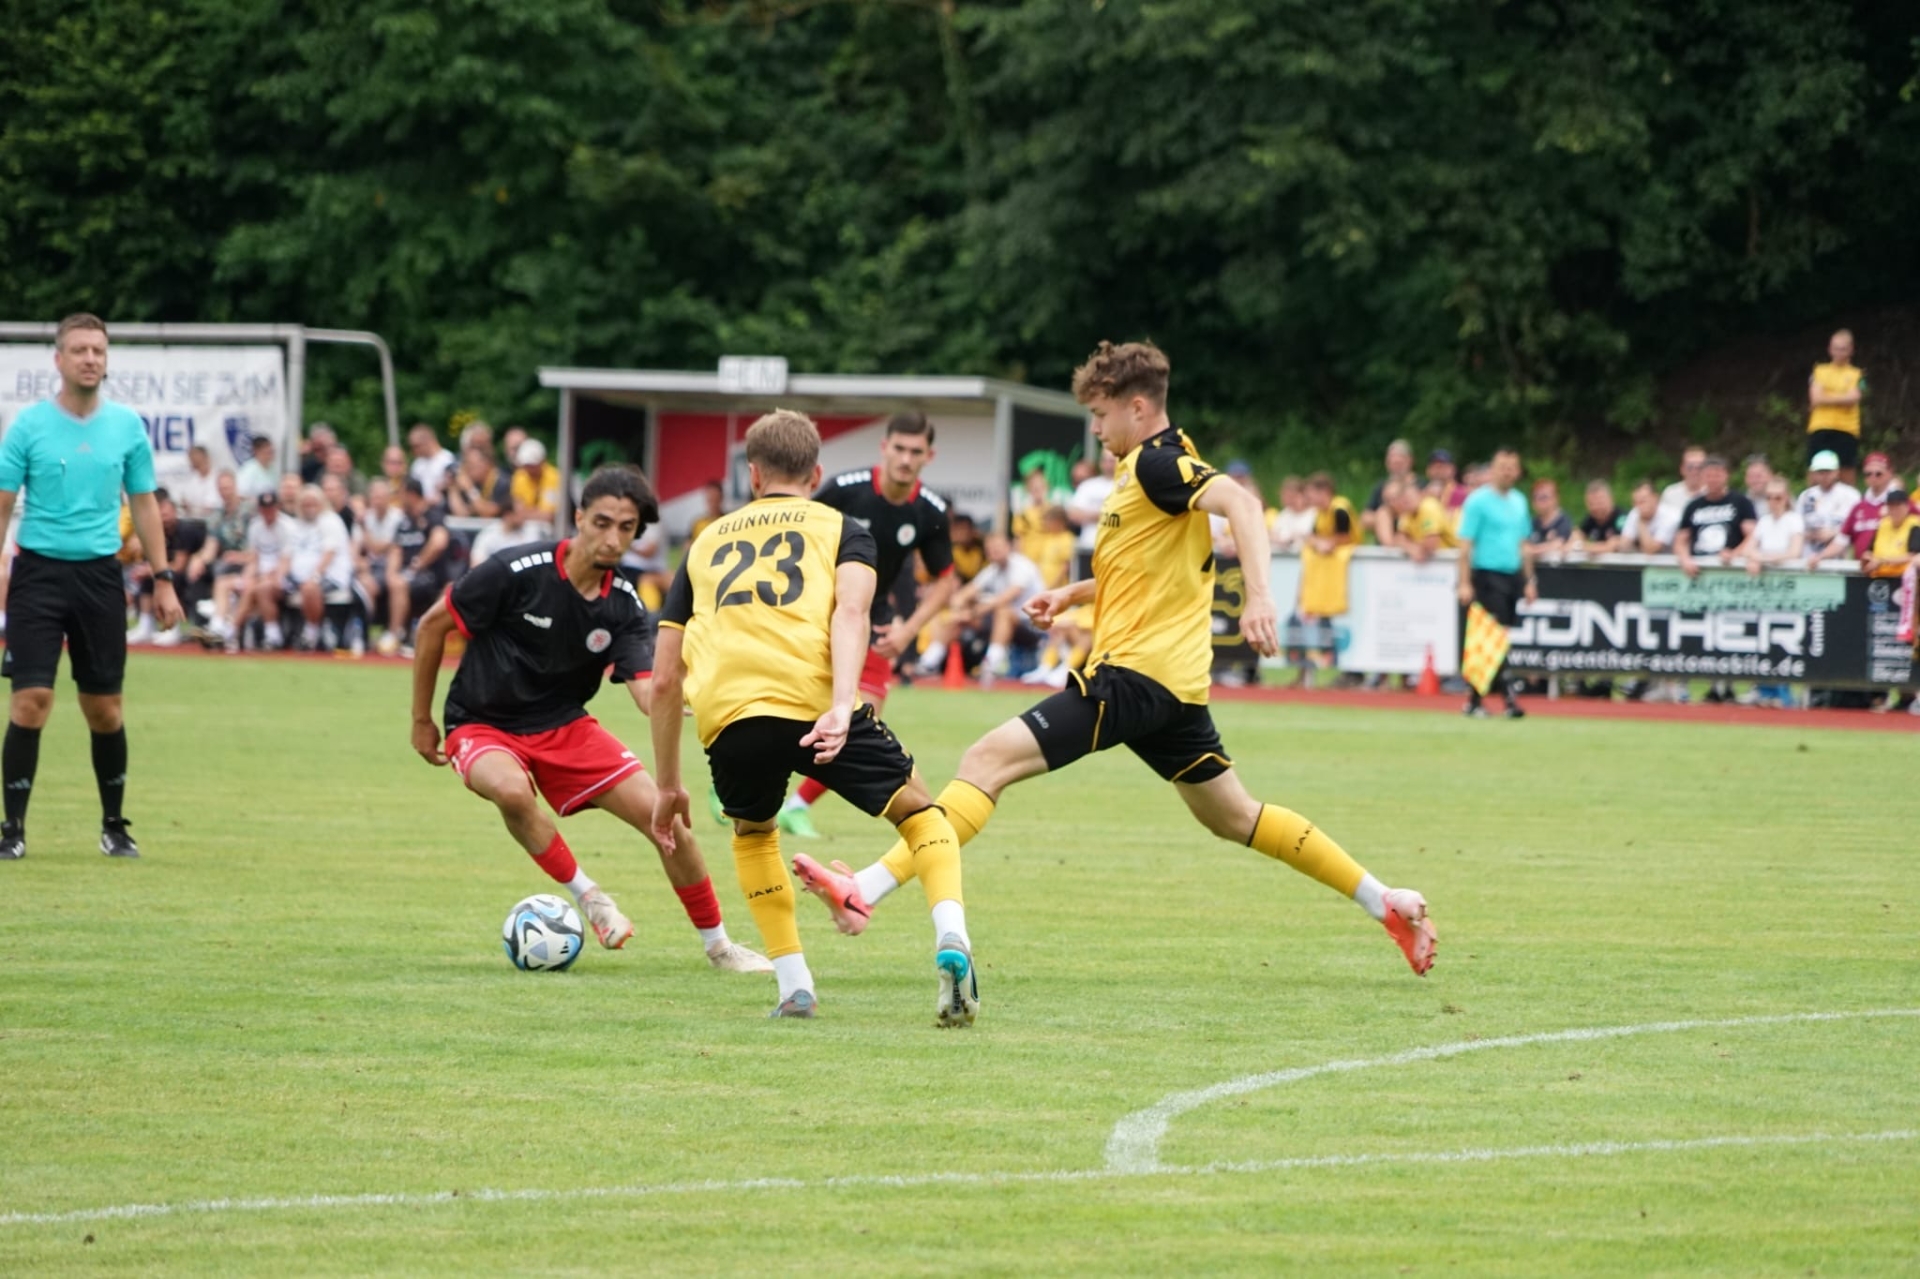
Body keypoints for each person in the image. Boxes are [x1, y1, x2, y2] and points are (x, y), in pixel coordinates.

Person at [791, 342, 1437, 981]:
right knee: (1234, 815)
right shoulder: (1144, 470)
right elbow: (1146, 569)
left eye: (1100, 415)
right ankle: (1386, 899)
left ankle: (865, 889)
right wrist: (1071, 595)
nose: (1095, 429)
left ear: (1137, 407)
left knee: (985, 761)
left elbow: (1241, 505)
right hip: (1173, 690)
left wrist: (1261, 597)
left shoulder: (1159, 464)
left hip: (1133, 679)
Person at [647, 411, 976, 1022]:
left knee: (753, 834)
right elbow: (851, 613)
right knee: (921, 815)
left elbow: (665, 677)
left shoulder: (705, 542)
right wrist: (842, 707)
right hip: (812, 705)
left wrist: (667, 784)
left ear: (753, 475)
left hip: (730, 718)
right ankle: (952, 937)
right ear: (816, 474)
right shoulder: (844, 528)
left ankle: (794, 986)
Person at [409, 464, 771, 976]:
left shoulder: (623, 604)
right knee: (511, 791)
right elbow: (431, 626)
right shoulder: (514, 570)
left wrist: (699, 694)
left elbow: (647, 690)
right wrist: (421, 719)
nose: (612, 539)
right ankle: (591, 898)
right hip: (481, 722)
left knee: (666, 821)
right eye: (602, 523)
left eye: (626, 528)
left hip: (565, 725)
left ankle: (720, 947)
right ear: (578, 518)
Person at [0, 314, 181, 861]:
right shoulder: (28, 426)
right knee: (31, 701)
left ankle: (114, 827)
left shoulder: (126, 427)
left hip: (100, 578)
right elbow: (3, 506)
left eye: (98, 350)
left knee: (104, 709)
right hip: (37, 575)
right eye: (79, 350)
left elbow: (144, 505)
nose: (89, 359)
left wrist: (164, 579)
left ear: (106, 359)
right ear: (59, 359)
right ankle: (12, 830)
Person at [756, 412, 959, 841]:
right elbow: (794, 532)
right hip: (815, 616)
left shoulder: (929, 510)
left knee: (860, 720)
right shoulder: (846, 490)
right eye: (899, 448)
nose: (905, 459)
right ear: (884, 448)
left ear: (930, 456)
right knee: (789, 708)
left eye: (915, 451)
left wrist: (909, 631)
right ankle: (749, 782)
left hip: (872, 620)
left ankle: (795, 805)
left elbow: (946, 581)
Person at [1455, 448, 1535, 719]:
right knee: (1493, 637)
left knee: (1493, 640)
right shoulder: (1478, 502)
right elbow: (1465, 545)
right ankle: (1509, 697)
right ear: (1493, 469)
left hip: (1511, 576)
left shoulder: (1519, 502)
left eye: (1512, 467)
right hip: (1487, 575)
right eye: (1502, 467)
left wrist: (1529, 580)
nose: (1507, 472)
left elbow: (1524, 544)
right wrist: (1464, 582)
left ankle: (1474, 700)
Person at [916, 532, 1047, 682]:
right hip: (1002, 623)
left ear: (1008, 547)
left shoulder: (1022, 566)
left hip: (1034, 625)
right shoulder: (993, 569)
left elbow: (1005, 599)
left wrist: (972, 612)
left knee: (1003, 612)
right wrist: (958, 607)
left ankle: (991, 664)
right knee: (957, 618)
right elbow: (968, 591)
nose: (993, 551)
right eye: (989, 549)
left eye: (997, 547)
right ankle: (929, 661)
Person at [386, 478, 453, 654]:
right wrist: (391, 573)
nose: (399, 499)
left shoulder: (433, 515)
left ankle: (395, 634)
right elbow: (395, 549)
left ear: (412, 495)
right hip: (407, 576)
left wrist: (417, 565)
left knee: (400, 584)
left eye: (401, 494)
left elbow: (439, 542)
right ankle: (400, 635)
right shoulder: (404, 521)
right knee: (396, 582)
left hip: (432, 576)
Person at [1673, 457, 1756, 579]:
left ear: (1726, 475)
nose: (1713, 480)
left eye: (1717, 475)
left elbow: (1753, 535)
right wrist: (1685, 559)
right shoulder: (1693, 506)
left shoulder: (1741, 502)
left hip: (1731, 569)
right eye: (1709, 476)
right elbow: (1681, 540)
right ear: (1702, 477)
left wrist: (1735, 554)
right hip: (1699, 570)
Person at [1807, 328, 1865, 478]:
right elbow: (1816, 398)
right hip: (1820, 426)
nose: (1839, 353)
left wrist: (1826, 395)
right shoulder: (1819, 370)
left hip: (1847, 428)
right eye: (1836, 348)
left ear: (1851, 350)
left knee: (1846, 474)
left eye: (1843, 349)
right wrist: (1842, 396)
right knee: (1815, 474)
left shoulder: (1857, 374)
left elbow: (1854, 398)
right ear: (1829, 349)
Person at [1798, 450, 1862, 565]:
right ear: (1813, 473)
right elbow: (1797, 529)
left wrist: (1834, 533)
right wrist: (1812, 535)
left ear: (1837, 472)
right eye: (1820, 472)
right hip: (1810, 559)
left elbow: (1858, 528)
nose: (1824, 476)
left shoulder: (1851, 495)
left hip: (1840, 561)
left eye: (1828, 471)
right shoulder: (1806, 496)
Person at [1835, 452, 1900, 561]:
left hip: (1891, 567)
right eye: (1868, 474)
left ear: (1890, 473)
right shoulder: (1859, 507)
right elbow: (1841, 541)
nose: (1873, 477)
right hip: (1861, 566)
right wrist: (1820, 556)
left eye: (1878, 473)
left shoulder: (1900, 503)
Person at [1065, 450, 1117, 580]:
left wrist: (1088, 515)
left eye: (1111, 461)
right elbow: (1073, 514)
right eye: (1105, 460)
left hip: (1114, 548)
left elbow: (1125, 515)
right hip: (1088, 547)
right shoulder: (1088, 486)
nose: (1108, 465)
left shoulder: (1125, 485)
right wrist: (1106, 514)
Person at [1364, 438, 1416, 540]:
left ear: (1410, 461)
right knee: (1383, 513)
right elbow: (1365, 519)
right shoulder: (1380, 486)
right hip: (1384, 543)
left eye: (1400, 463)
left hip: (1414, 541)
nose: (1396, 466)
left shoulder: (1422, 485)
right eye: (1393, 462)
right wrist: (1388, 515)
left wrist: (1404, 514)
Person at [1862, 489, 1919, 579]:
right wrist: (1867, 558)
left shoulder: (1914, 525)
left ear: (1907, 507)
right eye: (1891, 507)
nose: (1894, 511)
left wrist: (1882, 561)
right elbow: (1869, 551)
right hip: (1878, 575)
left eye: (1898, 506)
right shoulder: (1882, 525)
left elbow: (1913, 555)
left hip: (1902, 578)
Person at [509, 439, 562, 527]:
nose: (529, 469)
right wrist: (536, 512)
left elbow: (549, 516)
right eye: (526, 465)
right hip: (526, 528)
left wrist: (525, 513)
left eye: (532, 465)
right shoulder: (519, 476)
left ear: (542, 462)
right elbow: (518, 510)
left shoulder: (554, 477)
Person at [1620, 480, 1678, 553]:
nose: (1639, 506)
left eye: (1643, 501)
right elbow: (1623, 545)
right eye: (1636, 502)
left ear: (1655, 498)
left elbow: (1651, 550)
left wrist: (1641, 524)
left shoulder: (1670, 516)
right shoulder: (1635, 512)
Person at [406, 424, 458, 503]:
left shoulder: (447, 459)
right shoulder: (417, 464)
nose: (413, 450)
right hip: (421, 506)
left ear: (428, 441)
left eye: (416, 446)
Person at [1574, 481, 1625, 555]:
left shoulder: (1621, 519)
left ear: (1611, 499)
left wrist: (1583, 546)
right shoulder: (1591, 518)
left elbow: (1612, 546)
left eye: (1599, 502)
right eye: (1591, 504)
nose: (1596, 507)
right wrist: (1578, 542)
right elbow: (1576, 535)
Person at [174, 444, 222, 518]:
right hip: (192, 520)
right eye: (191, 459)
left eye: (196, 459)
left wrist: (193, 508)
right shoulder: (191, 480)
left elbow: (210, 507)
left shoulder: (217, 478)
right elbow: (184, 501)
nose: (192, 462)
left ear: (205, 458)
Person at [1269, 476, 1316, 552]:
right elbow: (1273, 533)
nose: (1288, 500)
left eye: (1291, 497)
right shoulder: (1285, 514)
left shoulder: (1314, 513)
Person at [1527, 479, 1573, 555]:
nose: (1540, 501)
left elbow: (1558, 544)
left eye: (1544, 497)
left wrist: (1532, 550)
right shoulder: (1533, 522)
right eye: (1536, 497)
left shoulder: (1563, 521)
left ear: (1556, 499)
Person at [236, 435, 278, 502]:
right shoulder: (248, 470)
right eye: (267, 452)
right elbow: (240, 495)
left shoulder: (273, 470)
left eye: (271, 452)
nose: (270, 454)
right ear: (256, 451)